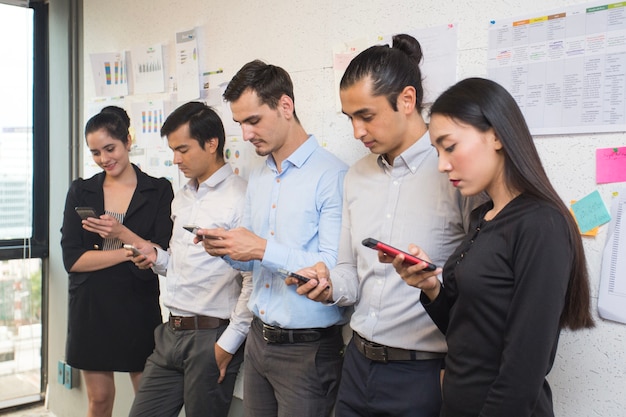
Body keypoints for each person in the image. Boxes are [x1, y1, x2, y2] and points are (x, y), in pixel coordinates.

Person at [292, 34, 478, 417]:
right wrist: (326, 287)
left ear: (407, 101)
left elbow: (481, 282)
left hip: (425, 372)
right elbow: (348, 271)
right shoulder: (356, 176)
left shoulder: (456, 171)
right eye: (350, 119)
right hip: (357, 364)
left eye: (367, 116)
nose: (357, 132)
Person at [387, 77, 595, 417]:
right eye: (437, 152)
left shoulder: (541, 224)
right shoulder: (483, 216)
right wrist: (431, 287)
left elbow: (524, 370)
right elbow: (467, 330)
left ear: (496, 135)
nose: (441, 164)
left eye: (450, 146)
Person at [201, 60, 348, 417]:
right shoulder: (259, 174)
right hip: (258, 339)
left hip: (308, 351)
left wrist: (262, 248)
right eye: (240, 124)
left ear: (286, 106)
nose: (246, 135)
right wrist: (225, 249)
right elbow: (253, 261)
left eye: (253, 121)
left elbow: (332, 269)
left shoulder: (333, 175)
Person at [126, 102, 252, 417]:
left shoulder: (242, 198)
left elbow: (253, 279)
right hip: (171, 331)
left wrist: (228, 345)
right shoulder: (182, 197)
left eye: (183, 149)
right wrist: (155, 257)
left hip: (211, 336)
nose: (176, 159)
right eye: (172, 150)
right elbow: (180, 266)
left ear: (212, 144)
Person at [60, 107, 174, 417]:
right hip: (91, 306)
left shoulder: (158, 189)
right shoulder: (81, 191)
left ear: (128, 140)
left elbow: (160, 249)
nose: (103, 158)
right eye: (95, 152)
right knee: (99, 400)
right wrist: (129, 251)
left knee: (148, 402)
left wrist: (124, 235)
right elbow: (74, 259)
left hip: (137, 304)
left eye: (110, 148)